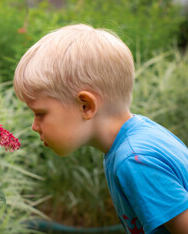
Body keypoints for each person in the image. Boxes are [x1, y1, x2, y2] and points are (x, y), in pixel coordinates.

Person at [13, 23, 188, 233]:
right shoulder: (139, 133)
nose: (34, 126)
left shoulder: (134, 159)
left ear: (86, 106)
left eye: (40, 113)